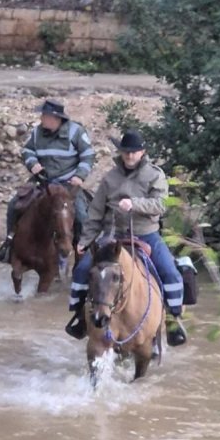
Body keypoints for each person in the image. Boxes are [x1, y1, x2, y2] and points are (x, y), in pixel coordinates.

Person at [65, 129, 187, 346]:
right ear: (121, 153)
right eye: (126, 152)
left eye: (134, 152)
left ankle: (172, 321)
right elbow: (95, 212)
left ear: (143, 152)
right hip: (113, 235)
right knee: (83, 271)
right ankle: (79, 318)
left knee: (171, 272)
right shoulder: (110, 178)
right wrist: (85, 240)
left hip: (146, 234)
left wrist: (135, 204)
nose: (130, 156)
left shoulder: (155, 175)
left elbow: (160, 204)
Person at [0, 99, 95, 262]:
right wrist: (33, 164)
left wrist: (80, 176)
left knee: (81, 215)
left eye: (44, 116)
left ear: (55, 118)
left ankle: (82, 251)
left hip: (68, 184)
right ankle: (8, 246)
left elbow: (88, 156)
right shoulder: (37, 132)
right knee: (13, 206)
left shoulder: (76, 132)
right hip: (43, 181)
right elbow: (27, 150)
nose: (41, 119)